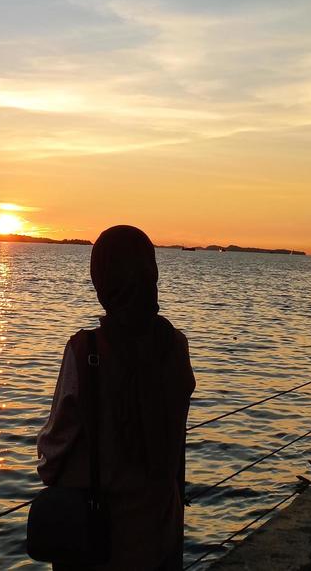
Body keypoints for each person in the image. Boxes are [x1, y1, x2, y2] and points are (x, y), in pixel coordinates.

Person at [36, 225, 196, 571]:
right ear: (150, 272)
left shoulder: (86, 351)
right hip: (159, 531)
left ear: (102, 280)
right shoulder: (175, 346)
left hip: (97, 538)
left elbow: (54, 451)